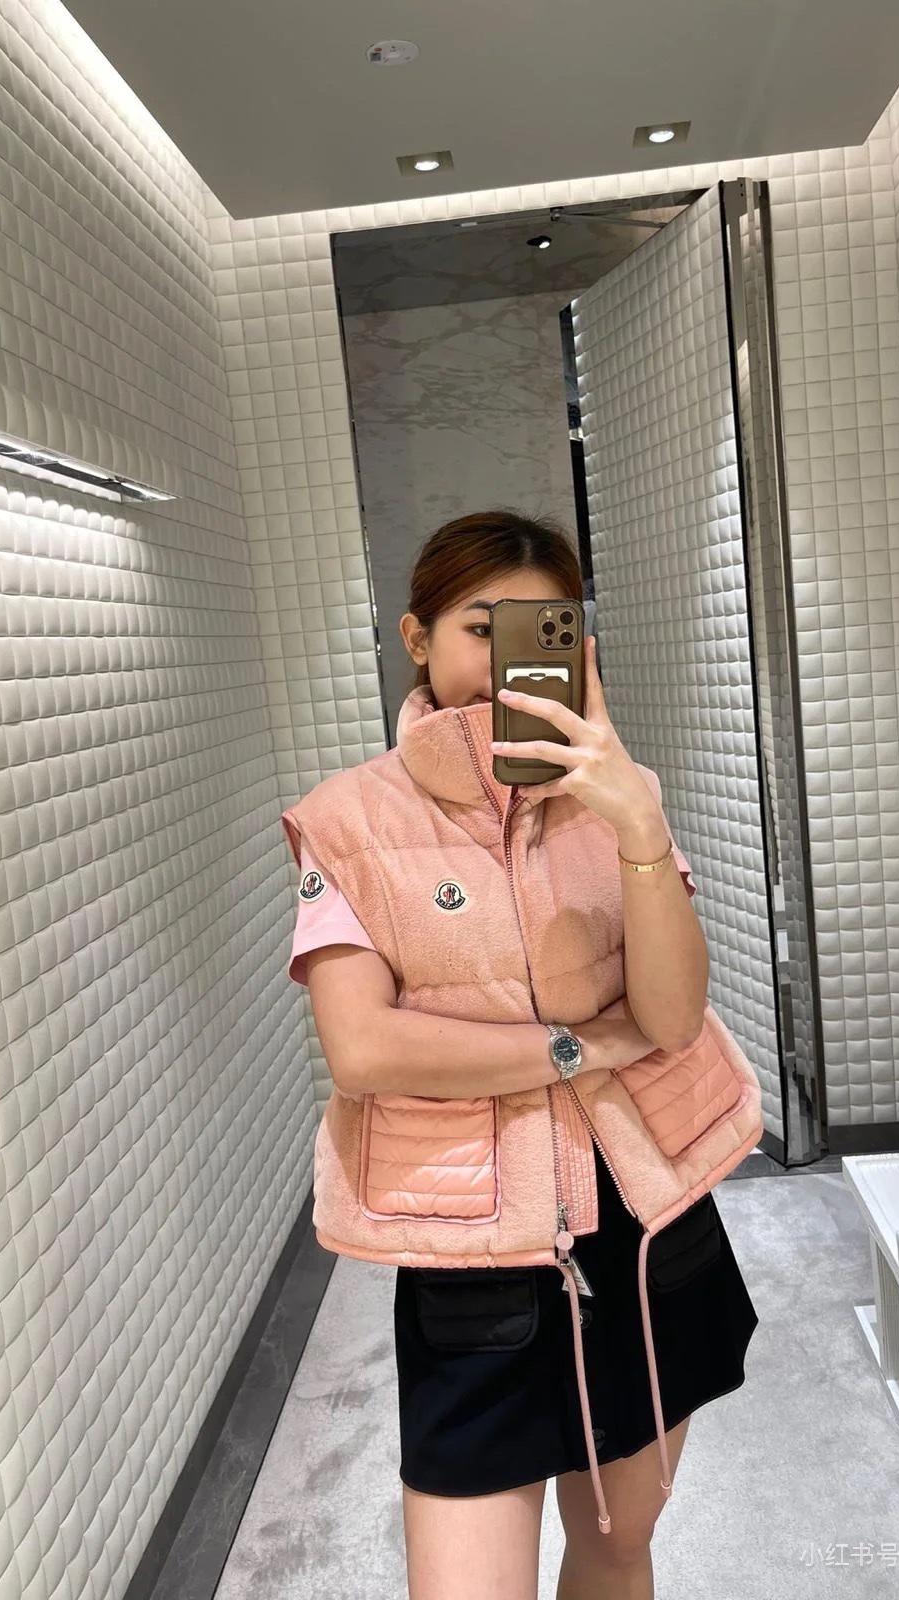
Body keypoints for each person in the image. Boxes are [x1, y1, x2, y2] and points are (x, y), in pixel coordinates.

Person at [281, 510, 762, 1600]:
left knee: (618, 1545)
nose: (508, 660)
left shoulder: (618, 796)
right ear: (416, 637)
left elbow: (673, 1015)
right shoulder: (348, 820)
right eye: (478, 626)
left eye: (539, 629)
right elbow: (363, 1047)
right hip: (474, 1247)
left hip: (645, 1230)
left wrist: (637, 822)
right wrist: (574, 1047)